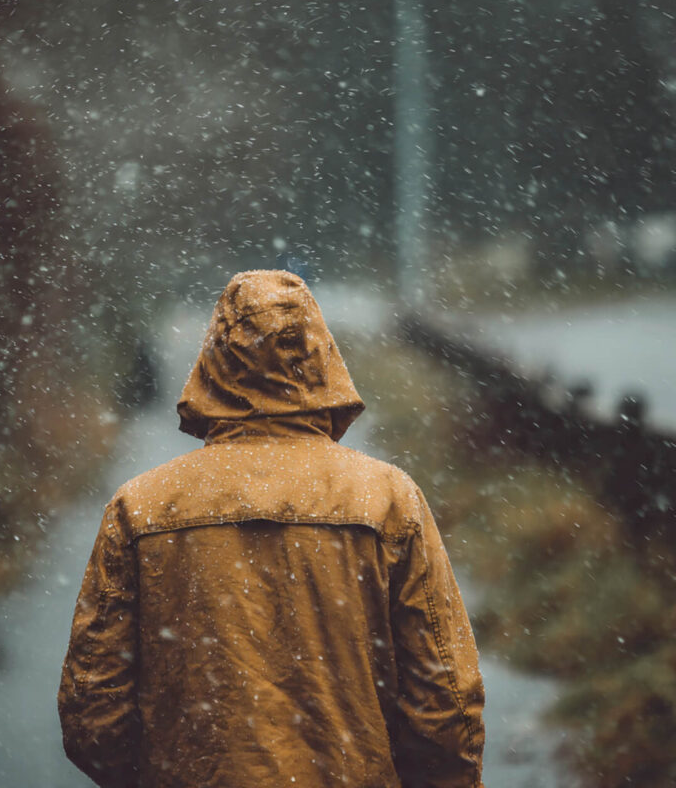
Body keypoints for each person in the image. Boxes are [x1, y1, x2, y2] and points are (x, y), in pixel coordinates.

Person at [58, 270, 485, 788]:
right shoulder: (387, 500)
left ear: (214, 363)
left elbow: (92, 713)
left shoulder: (141, 508)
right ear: (321, 356)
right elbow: (446, 703)